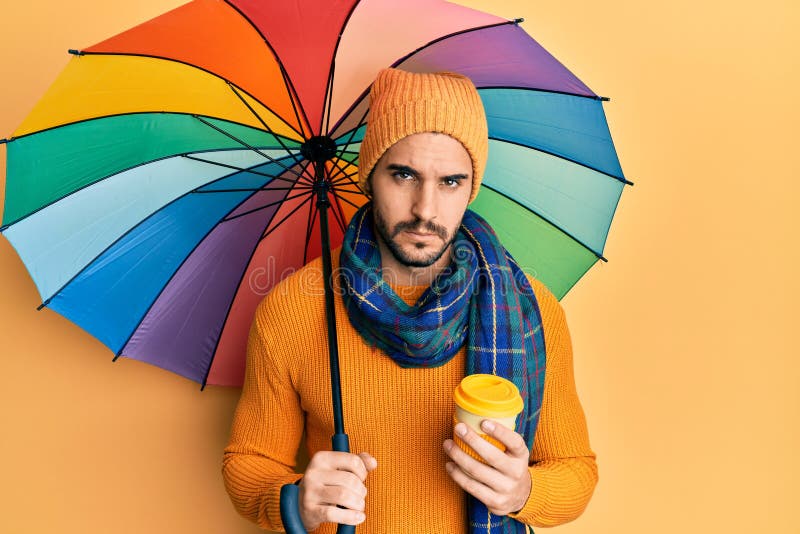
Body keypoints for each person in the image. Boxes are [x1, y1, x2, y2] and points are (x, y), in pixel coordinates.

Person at [222, 68, 598, 533]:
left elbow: (575, 470)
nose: (425, 209)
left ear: (471, 189)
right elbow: (248, 460)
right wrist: (297, 499)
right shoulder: (291, 310)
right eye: (403, 175)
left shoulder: (531, 310)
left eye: (450, 182)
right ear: (369, 176)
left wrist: (524, 492)